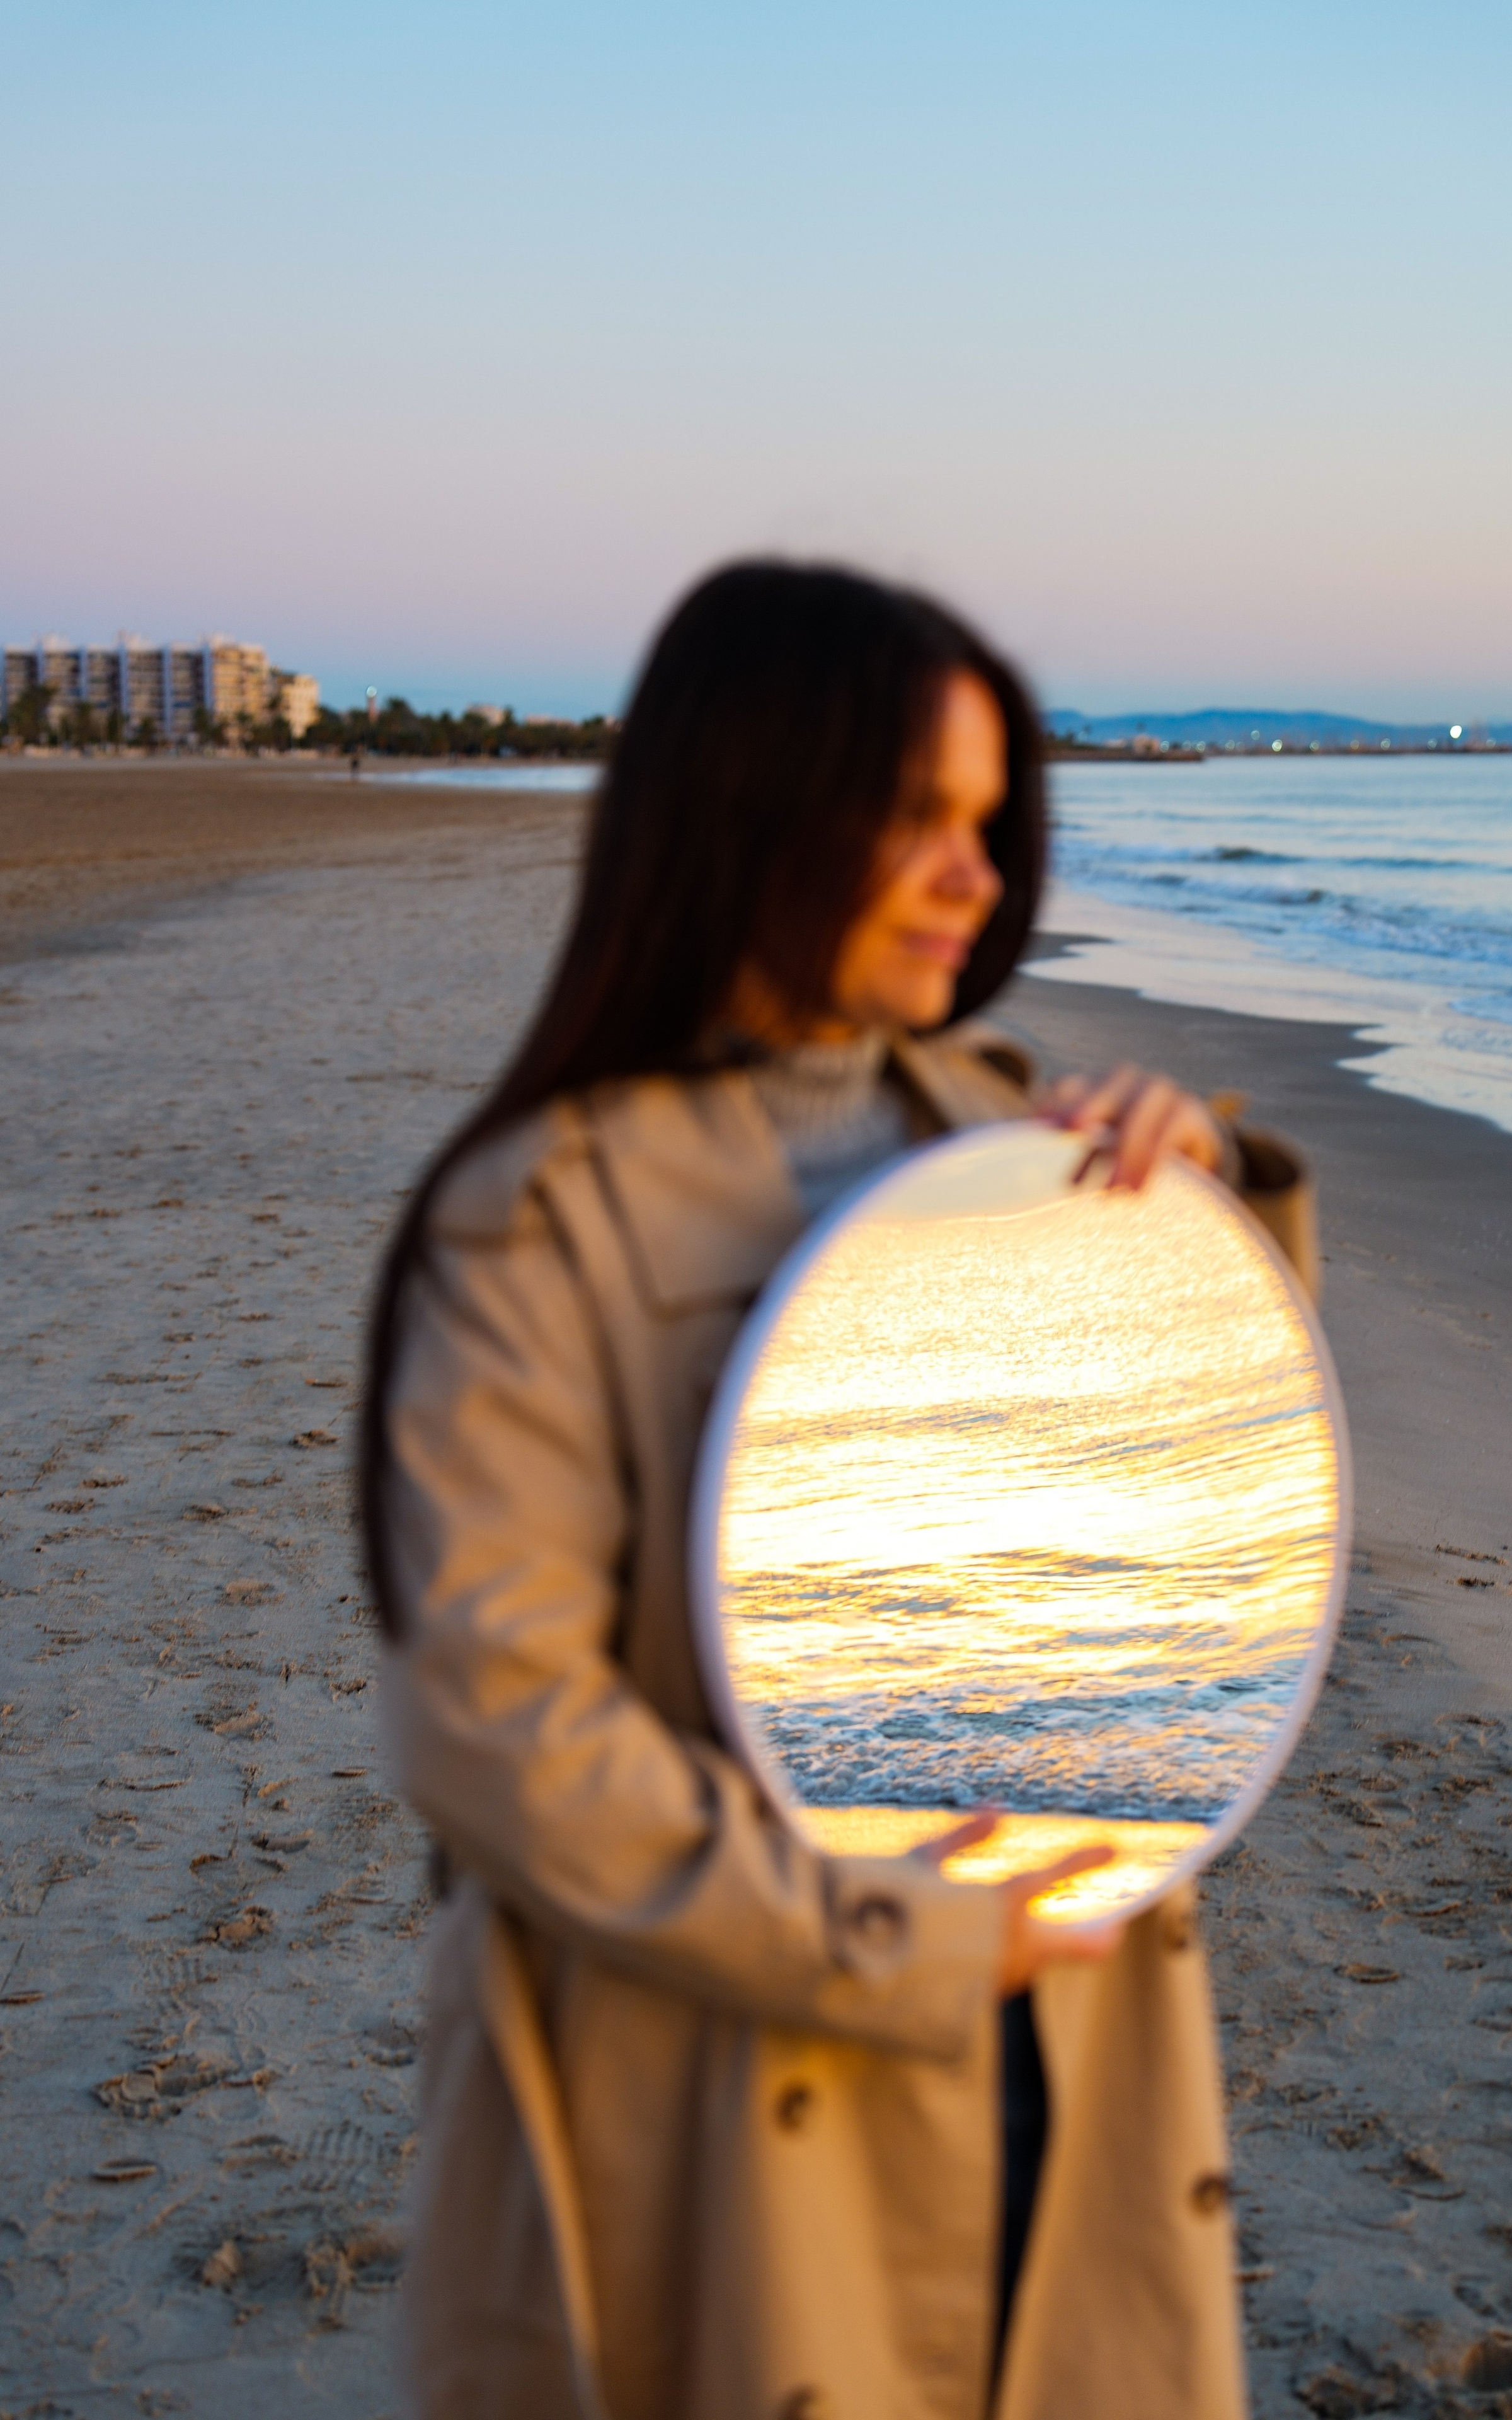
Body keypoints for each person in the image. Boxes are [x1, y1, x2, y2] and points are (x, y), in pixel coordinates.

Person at [363, 561, 1315, 2420]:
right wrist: (911, 1934)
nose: (977, 876)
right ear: (750, 811)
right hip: (730, 2072)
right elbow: (498, 1727)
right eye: (916, 818)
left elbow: (1189, 1533)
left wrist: (1205, 1215)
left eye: (989, 823)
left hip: (1070, 2023)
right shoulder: (544, 1215)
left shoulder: (1009, 1141)